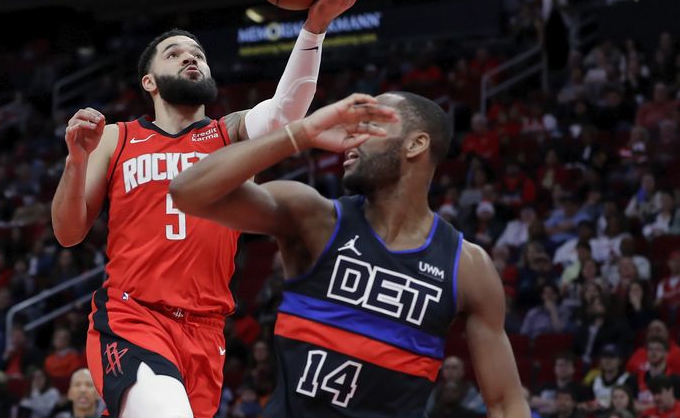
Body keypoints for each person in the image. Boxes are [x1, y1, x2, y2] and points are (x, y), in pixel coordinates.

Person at [51, 0, 369, 418]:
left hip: (206, 331)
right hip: (133, 316)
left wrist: (314, 28)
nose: (190, 59)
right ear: (149, 81)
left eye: (197, 53)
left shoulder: (228, 133)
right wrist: (75, 161)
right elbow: (67, 233)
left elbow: (284, 112)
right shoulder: (116, 137)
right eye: (175, 53)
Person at [170, 92, 529, 416]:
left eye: (368, 127)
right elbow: (187, 192)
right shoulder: (313, 217)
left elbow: (505, 403)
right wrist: (302, 133)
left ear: (416, 144)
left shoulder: (467, 267)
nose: (349, 140)